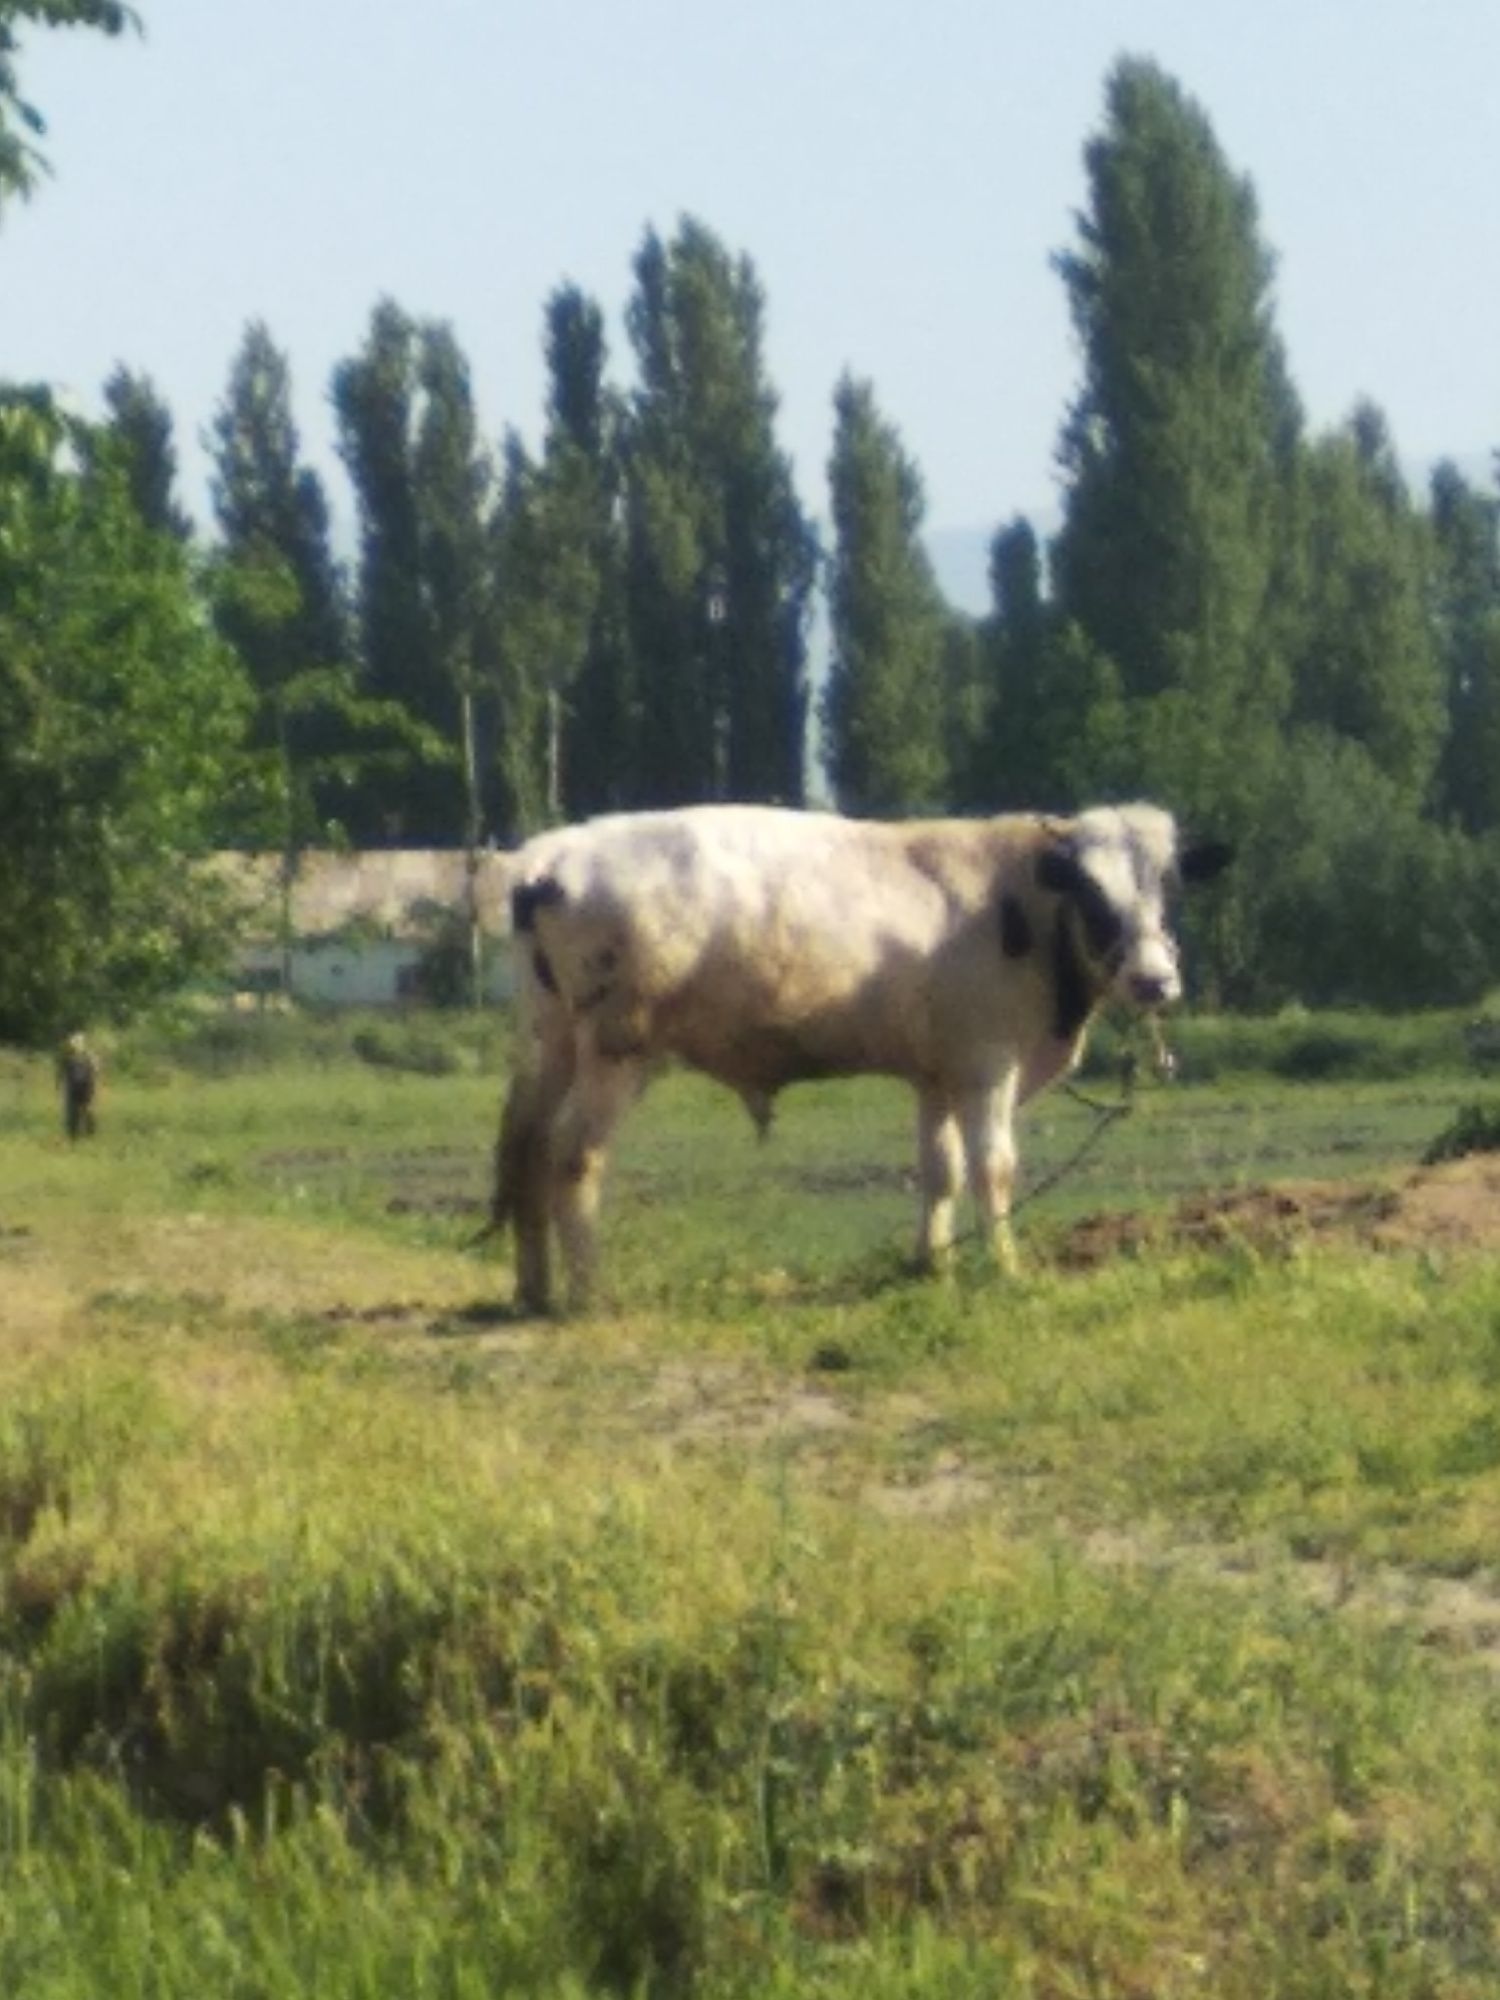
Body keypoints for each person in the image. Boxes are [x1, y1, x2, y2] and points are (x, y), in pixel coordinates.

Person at [57, 1031, 99, 1140]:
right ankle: (73, 1136)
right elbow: (61, 1071)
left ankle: (90, 1134)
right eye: (74, 1042)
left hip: (86, 1087)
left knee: (88, 1111)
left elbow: (96, 1070)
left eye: (78, 1042)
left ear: (83, 1043)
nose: (75, 1045)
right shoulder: (67, 1057)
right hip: (72, 1088)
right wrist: (59, 1083)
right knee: (72, 1112)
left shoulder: (89, 1056)